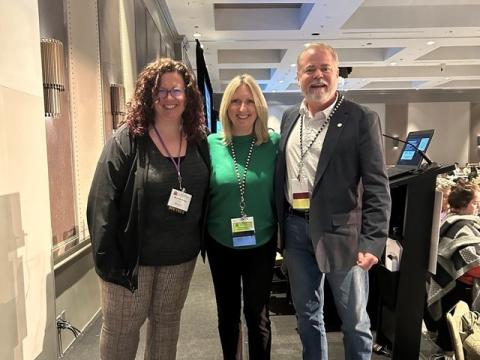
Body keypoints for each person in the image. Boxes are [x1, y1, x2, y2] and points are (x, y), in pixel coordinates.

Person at [86, 58, 210, 360]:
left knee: (166, 327)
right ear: (148, 95)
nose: (169, 97)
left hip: (179, 259)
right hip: (131, 260)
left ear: (188, 95)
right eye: (161, 90)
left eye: (177, 90)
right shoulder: (128, 139)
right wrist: (108, 262)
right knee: (121, 331)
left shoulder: (198, 140)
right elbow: (101, 202)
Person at [274, 43, 391, 359]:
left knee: (354, 321)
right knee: (307, 316)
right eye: (309, 69)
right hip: (296, 231)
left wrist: (372, 242)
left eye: (325, 68)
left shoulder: (360, 118)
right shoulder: (288, 118)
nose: (318, 76)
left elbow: (378, 186)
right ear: (298, 76)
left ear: (337, 73)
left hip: (344, 235)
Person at [207, 74, 280, 360]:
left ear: (259, 106)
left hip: (261, 241)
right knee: (227, 315)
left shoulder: (273, 144)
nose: (242, 108)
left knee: (257, 315)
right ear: (226, 107)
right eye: (235, 101)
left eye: (249, 101)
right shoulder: (211, 143)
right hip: (219, 242)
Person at [427, 181, 480, 353]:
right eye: (474, 203)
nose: (477, 206)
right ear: (464, 204)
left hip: (449, 286)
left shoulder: (450, 221)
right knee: (456, 338)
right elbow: (470, 264)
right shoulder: (461, 227)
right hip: (460, 289)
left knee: (448, 337)